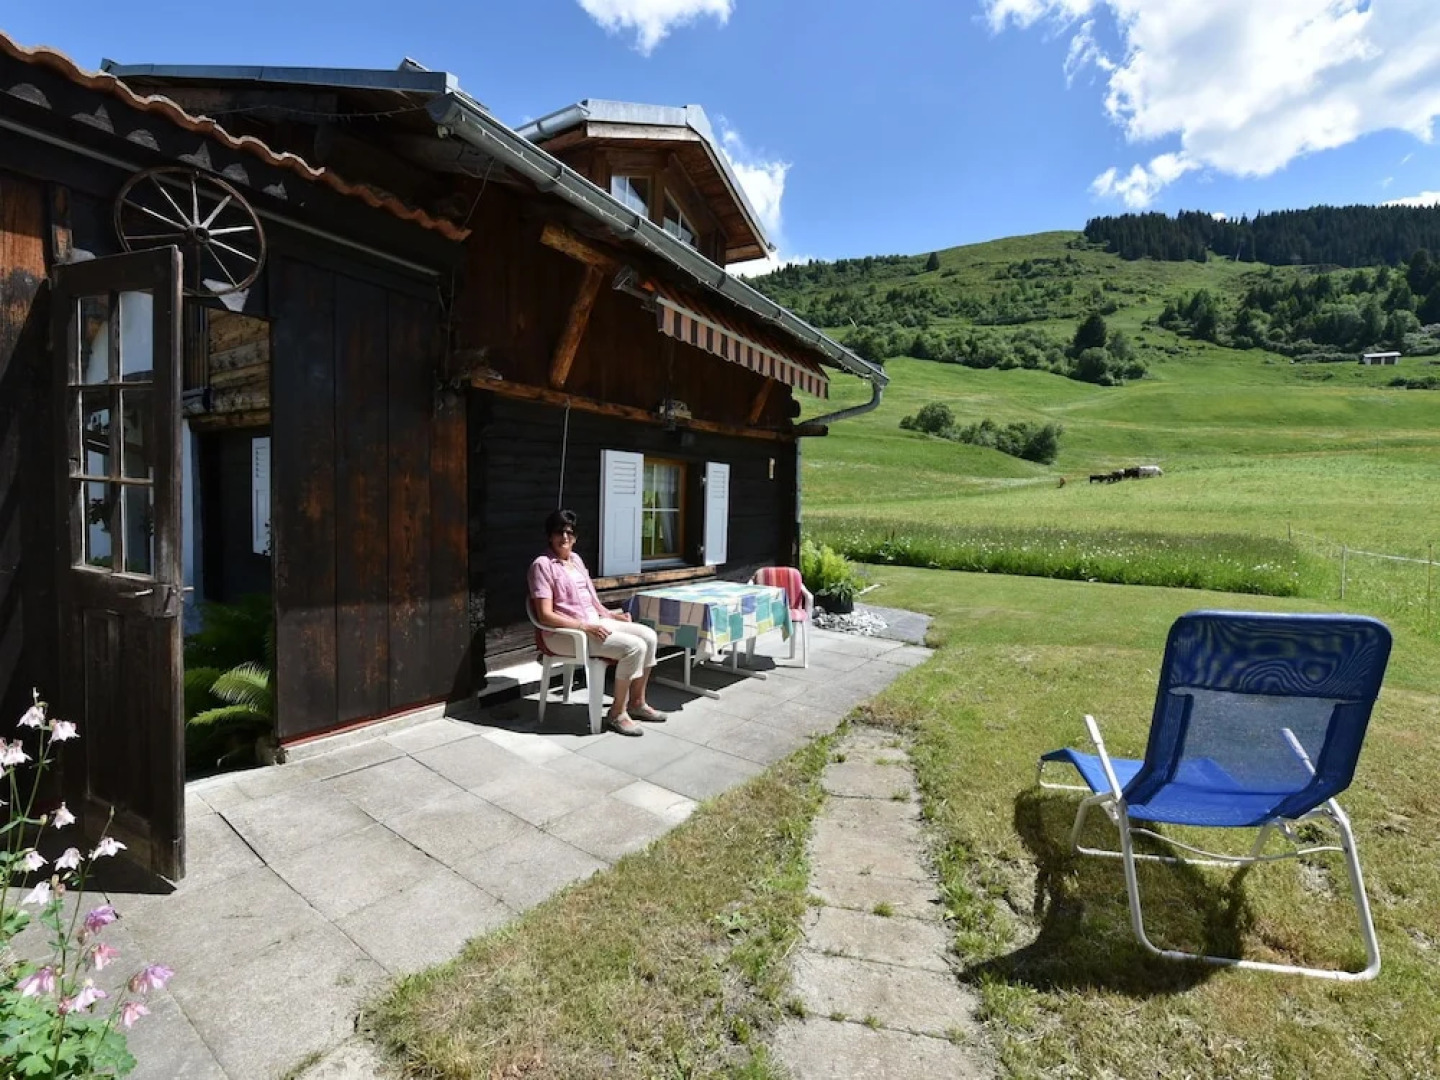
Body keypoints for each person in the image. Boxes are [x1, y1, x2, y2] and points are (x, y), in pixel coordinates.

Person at [528, 509, 668, 736]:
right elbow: (545, 616)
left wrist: (612, 616)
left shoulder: (576, 560)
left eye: (569, 533)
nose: (565, 537)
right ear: (549, 536)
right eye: (559, 532)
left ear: (575, 536)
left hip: (594, 622)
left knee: (649, 636)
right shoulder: (542, 566)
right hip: (564, 635)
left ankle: (637, 703)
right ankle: (617, 714)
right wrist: (585, 626)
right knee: (634, 647)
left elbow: (590, 601)